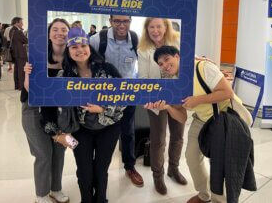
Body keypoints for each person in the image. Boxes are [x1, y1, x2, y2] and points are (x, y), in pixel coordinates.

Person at [147, 46, 254, 203]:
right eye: (160, 64)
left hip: (224, 117)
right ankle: (204, 195)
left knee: (220, 164)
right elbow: (182, 118)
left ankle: (220, 200)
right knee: (191, 157)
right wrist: (168, 107)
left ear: (177, 56)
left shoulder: (202, 67)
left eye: (167, 59)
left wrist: (197, 100)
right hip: (202, 119)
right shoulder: (175, 84)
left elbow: (227, 92)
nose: (165, 65)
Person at [59, 27, 124, 203]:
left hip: (109, 127)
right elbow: (55, 105)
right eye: (74, 47)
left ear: (89, 47)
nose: (80, 50)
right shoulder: (64, 76)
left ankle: (101, 199)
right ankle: (86, 200)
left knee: (101, 169)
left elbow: (124, 98)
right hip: (80, 129)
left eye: (83, 46)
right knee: (84, 170)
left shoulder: (108, 69)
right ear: (68, 51)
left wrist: (102, 109)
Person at [90, 15, 143, 187]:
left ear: (130, 21)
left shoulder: (136, 39)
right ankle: (97, 169)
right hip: (104, 96)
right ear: (110, 20)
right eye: (117, 21)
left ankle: (130, 166)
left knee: (128, 131)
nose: (121, 25)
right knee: (103, 131)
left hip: (128, 94)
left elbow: (152, 57)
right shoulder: (98, 39)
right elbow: (85, 61)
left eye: (125, 21)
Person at [22, 18, 71, 203]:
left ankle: (55, 189)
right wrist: (27, 73)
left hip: (60, 112)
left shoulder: (72, 56)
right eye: (55, 29)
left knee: (59, 151)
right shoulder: (37, 55)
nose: (60, 33)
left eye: (64, 29)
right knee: (43, 153)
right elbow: (28, 89)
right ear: (49, 34)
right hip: (35, 110)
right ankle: (41, 195)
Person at [137, 17, 185, 195]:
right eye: (151, 27)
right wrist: (148, 97)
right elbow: (142, 77)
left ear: (166, 27)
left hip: (178, 97)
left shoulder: (179, 40)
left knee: (178, 136)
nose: (155, 30)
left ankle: (174, 168)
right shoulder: (143, 49)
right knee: (158, 140)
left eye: (159, 26)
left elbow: (186, 65)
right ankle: (158, 176)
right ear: (147, 30)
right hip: (156, 100)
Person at [10, 16, 28, 90]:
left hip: (15, 53)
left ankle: (17, 85)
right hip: (21, 53)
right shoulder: (18, 31)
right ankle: (21, 86)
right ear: (17, 23)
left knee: (17, 70)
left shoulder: (12, 30)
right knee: (22, 70)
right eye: (21, 22)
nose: (22, 24)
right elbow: (26, 40)